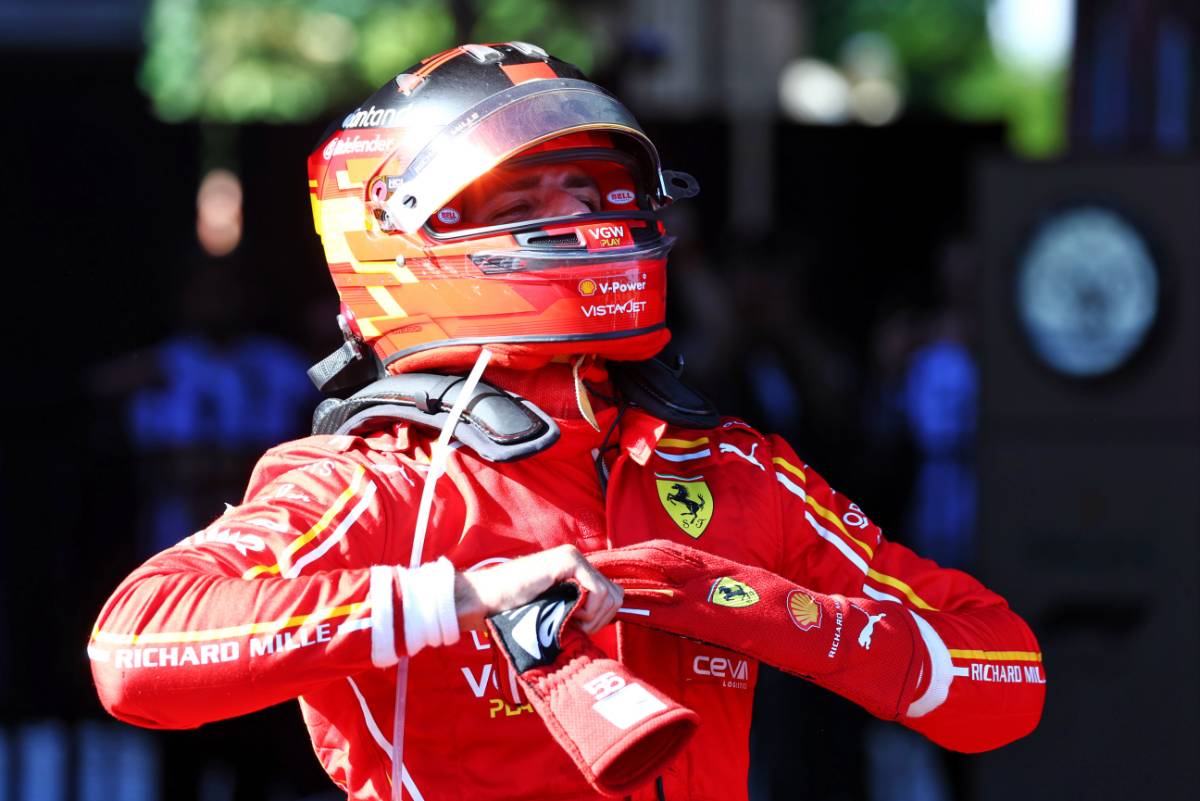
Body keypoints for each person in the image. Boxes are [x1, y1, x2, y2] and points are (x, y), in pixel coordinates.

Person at [88, 43, 1044, 801]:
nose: (581, 221)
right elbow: (132, 647)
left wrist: (727, 598)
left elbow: (1004, 678)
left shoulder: (732, 469)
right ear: (397, 236)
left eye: (589, 192)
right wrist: (459, 597)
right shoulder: (376, 483)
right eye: (524, 200)